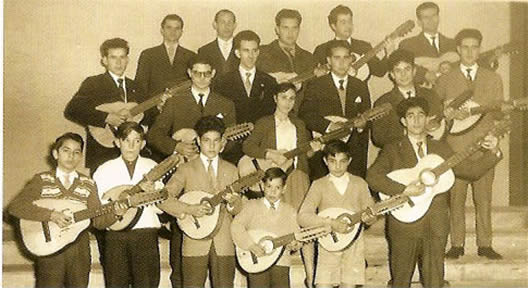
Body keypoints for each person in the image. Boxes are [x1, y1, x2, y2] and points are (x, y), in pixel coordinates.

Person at [366, 97, 503, 288]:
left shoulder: (440, 148)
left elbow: (471, 171)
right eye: (410, 116)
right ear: (403, 121)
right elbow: (373, 177)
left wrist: (494, 151)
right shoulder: (392, 149)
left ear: (427, 119)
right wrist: (404, 189)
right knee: (400, 281)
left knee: (435, 282)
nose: (416, 121)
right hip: (404, 225)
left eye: (421, 115)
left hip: (435, 225)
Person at [8, 133, 119, 288]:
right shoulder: (42, 179)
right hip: (49, 247)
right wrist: (51, 215)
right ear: (56, 154)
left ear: (81, 156)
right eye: (66, 151)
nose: (71, 156)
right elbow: (16, 207)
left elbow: (99, 221)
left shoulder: (88, 183)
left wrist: (117, 212)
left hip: (79, 249)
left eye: (76, 152)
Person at [436, 29, 505, 260]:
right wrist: (446, 114)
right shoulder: (444, 79)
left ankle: (485, 244)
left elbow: (499, 115)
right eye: (465, 47)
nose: (469, 51)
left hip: (484, 147)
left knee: (484, 198)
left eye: (474, 47)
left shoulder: (493, 78)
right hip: (455, 149)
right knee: (455, 199)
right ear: (457, 49)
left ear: (480, 49)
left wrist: (494, 139)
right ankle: (457, 244)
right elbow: (437, 118)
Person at [158, 116, 243, 288]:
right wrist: (189, 209)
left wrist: (234, 202)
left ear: (223, 143)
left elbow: (239, 207)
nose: (211, 146)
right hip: (194, 240)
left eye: (216, 141)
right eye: (206, 141)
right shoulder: (185, 169)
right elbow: (163, 198)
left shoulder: (232, 170)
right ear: (198, 141)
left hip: (224, 240)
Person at [93, 122, 164, 288]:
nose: (131, 146)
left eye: (137, 141)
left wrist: (152, 193)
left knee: (147, 283)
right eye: (126, 140)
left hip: (145, 232)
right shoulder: (104, 169)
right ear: (117, 142)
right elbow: (100, 207)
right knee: (116, 283)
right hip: (115, 236)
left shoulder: (152, 167)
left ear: (143, 144)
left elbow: (160, 207)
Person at [298, 140, 376, 288]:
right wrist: (330, 223)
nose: (338, 166)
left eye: (342, 161)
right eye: (333, 161)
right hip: (327, 244)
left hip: (354, 245)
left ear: (349, 161)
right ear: (325, 161)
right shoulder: (318, 185)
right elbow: (302, 216)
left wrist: (369, 218)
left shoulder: (359, 184)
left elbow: (371, 213)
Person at [65, 38, 145, 175]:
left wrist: (158, 107)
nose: (119, 62)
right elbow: (72, 110)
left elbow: (147, 115)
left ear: (127, 60)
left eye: (122, 57)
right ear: (104, 60)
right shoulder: (93, 83)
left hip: (133, 152)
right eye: (113, 57)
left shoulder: (136, 86)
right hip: (102, 151)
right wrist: (106, 117)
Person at [300, 40, 370, 180]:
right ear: (329, 60)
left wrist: (363, 125)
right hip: (325, 151)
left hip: (353, 152)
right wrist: (329, 126)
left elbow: (367, 115)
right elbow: (306, 114)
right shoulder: (316, 85)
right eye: (337, 58)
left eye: (346, 57)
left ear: (351, 59)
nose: (342, 62)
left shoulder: (360, 85)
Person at [147, 55, 236, 158]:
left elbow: (232, 139)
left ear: (213, 73)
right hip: (183, 164)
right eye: (197, 73)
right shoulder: (175, 102)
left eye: (207, 73)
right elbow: (154, 135)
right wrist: (176, 146)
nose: (202, 78)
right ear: (189, 73)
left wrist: (222, 145)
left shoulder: (226, 104)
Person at [231, 167, 302, 288]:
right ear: (262, 186)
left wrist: (295, 244)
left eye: (277, 188)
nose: (272, 192)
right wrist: (251, 246)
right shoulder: (251, 206)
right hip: (257, 260)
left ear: (284, 189)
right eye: (269, 187)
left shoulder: (290, 211)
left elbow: (297, 236)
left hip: (281, 263)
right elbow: (236, 226)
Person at [214, 30, 277, 164]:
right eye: (246, 50)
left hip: (260, 146)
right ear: (237, 53)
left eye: (254, 50)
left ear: (259, 52)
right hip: (231, 148)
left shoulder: (269, 81)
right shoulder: (222, 82)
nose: (251, 55)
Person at [372, 49, 443, 148]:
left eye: (407, 69)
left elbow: (439, 121)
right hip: (399, 155)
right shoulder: (383, 102)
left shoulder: (430, 95)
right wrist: (409, 131)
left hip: (430, 151)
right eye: (398, 70)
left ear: (414, 71)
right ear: (392, 75)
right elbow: (378, 138)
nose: (403, 74)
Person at [256, 8, 319, 115]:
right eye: (285, 28)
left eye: (294, 28)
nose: (290, 33)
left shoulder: (309, 58)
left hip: (302, 119)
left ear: (299, 29)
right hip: (271, 117)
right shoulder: (262, 53)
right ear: (277, 29)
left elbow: (314, 94)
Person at [312, 5, 392, 83]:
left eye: (350, 21)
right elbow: (314, 79)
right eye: (343, 22)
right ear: (333, 26)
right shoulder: (322, 50)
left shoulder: (363, 46)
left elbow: (380, 71)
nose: (348, 26)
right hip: (331, 95)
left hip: (360, 95)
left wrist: (389, 53)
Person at [135, 14, 196, 102]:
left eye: (177, 28)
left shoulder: (191, 56)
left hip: (182, 106)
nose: (173, 31)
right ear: (162, 30)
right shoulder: (148, 55)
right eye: (169, 27)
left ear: (181, 32)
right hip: (154, 108)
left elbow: (194, 84)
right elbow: (141, 86)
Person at [399, 2, 457, 87]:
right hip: (422, 94)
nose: (431, 20)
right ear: (419, 22)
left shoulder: (453, 43)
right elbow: (403, 69)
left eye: (434, 16)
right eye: (426, 17)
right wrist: (424, 74)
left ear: (439, 18)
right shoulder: (407, 45)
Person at [198, 9, 239, 77]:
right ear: (215, 25)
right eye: (222, 22)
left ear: (235, 25)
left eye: (230, 22)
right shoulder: (204, 51)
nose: (226, 26)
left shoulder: (242, 48)